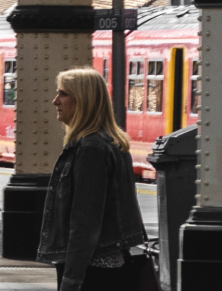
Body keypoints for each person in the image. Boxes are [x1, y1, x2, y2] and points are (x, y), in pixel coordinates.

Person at [36, 67, 148, 291]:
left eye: (63, 94)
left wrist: (71, 280)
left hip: (93, 269)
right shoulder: (110, 143)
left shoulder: (91, 149)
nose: (55, 101)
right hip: (110, 263)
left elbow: (85, 223)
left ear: (82, 101)